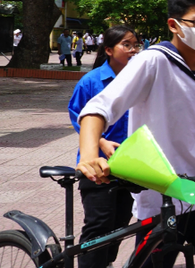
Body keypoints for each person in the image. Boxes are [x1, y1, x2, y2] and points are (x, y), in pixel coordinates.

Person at [75, 0, 195, 268]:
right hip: (161, 193)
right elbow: (97, 109)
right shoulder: (152, 61)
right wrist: (87, 158)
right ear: (174, 24)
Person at [68, 25, 139, 268]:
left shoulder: (136, 81)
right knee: (99, 224)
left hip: (129, 164)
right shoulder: (91, 81)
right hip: (96, 165)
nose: (132, 50)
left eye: (135, 45)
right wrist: (100, 142)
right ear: (108, 50)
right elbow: (78, 116)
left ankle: (105, 263)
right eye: (126, 45)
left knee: (120, 225)